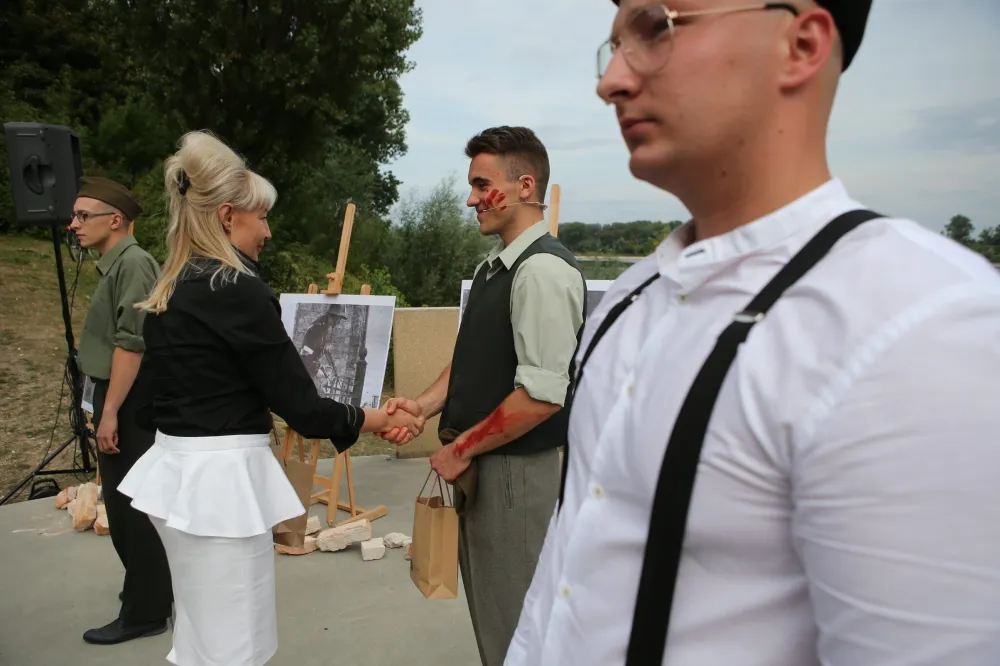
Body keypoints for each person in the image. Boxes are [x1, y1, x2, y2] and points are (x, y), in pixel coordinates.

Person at [505, 1, 1000, 665]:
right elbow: (563, 582)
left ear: (801, 45)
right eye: (613, 45)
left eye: (655, 28)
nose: (611, 81)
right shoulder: (632, 296)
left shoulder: (919, 328)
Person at [117, 130, 422, 666]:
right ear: (227, 216)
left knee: (200, 637)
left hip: (180, 475)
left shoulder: (176, 284)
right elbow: (304, 408)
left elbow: (154, 398)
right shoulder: (235, 289)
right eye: (261, 217)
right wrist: (379, 416)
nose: (268, 230)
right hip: (220, 487)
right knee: (234, 646)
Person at [383, 126, 587, 666]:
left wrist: (462, 447)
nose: (471, 198)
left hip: (517, 473)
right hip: (490, 466)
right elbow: (473, 359)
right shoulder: (494, 268)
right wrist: (422, 406)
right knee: (495, 618)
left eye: (481, 184)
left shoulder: (542, 271)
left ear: (525, 186)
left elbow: (542, 397)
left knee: (517, 626)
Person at [70, 176, 174, 646]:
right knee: (124, 502)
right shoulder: (118, 264)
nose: (74, 224)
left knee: (131, 508)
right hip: (119, 395)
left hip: (129, 399)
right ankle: (148, 592)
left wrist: (110, 411)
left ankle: (146, 611)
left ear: (115, 220)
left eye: (82, 215)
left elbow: (131, 345)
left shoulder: (133, 264)